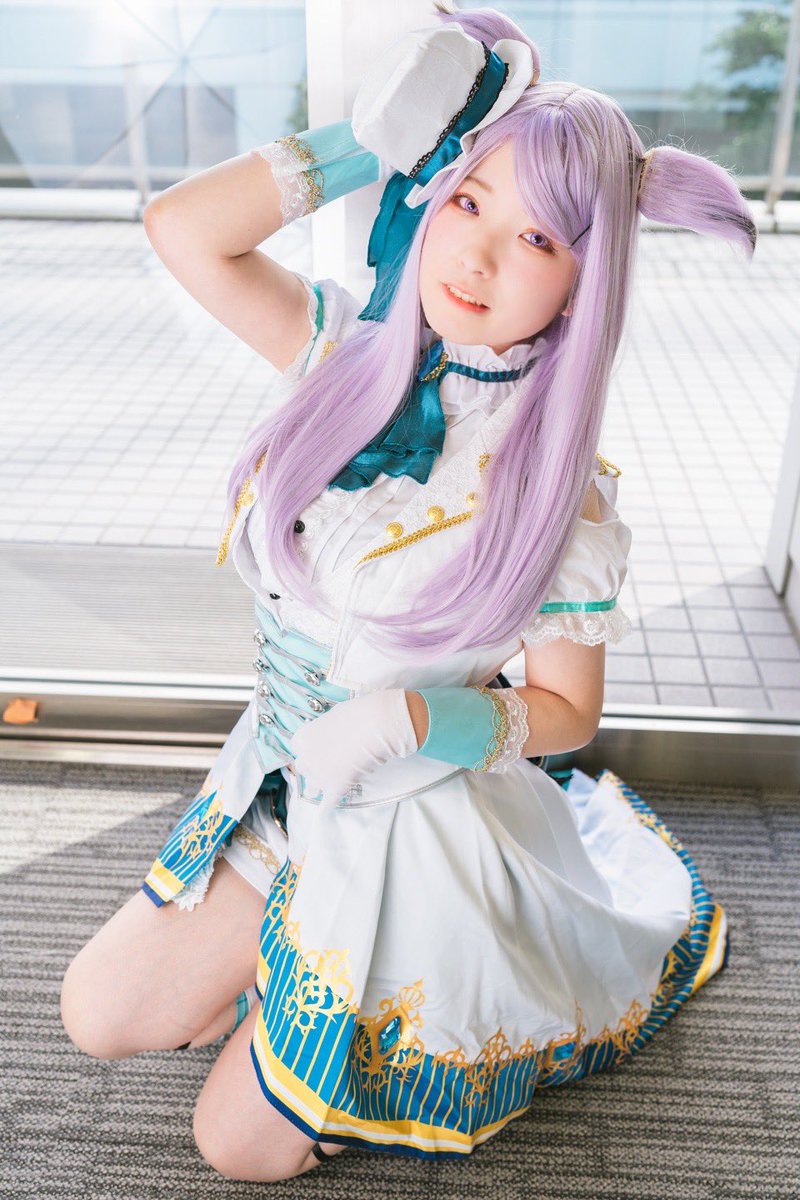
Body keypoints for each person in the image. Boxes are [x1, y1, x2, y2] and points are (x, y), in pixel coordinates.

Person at [59, 2, 754, 1180]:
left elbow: (568, 711)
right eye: (467, 201)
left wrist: (410, 718)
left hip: (411, 825)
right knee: (98, 1013)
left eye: (537, 238)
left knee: (237, 1150)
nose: (477, 260)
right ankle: (275, 968)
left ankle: (376, 1008)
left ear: (583, 279)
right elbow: (183, 230)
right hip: (277, 789)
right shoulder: (345, 356)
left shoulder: (561, 491)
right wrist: (377, 139)